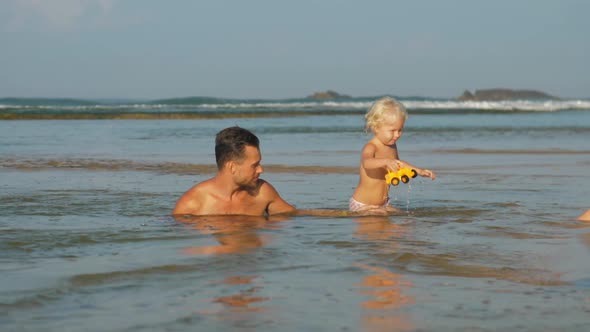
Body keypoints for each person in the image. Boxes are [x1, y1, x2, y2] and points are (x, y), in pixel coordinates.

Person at [173, 126, 296, 216]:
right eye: (254, 165)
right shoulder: (192, 204)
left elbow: (292, 215)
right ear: (232, 167)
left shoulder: (262, 192)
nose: (261, 169)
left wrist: (315, 213)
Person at [350, 96, 436, 214]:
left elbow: (399, 165)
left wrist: (419, 171)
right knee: (379, 219)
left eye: (400, 130)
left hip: (383, 204)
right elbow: (367, 163)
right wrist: (385, 161)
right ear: (376, 127)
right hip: (362, 205)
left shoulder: (392, 146)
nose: (397, 135)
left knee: (404, 217)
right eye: (392, 131)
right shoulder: (371, 147)